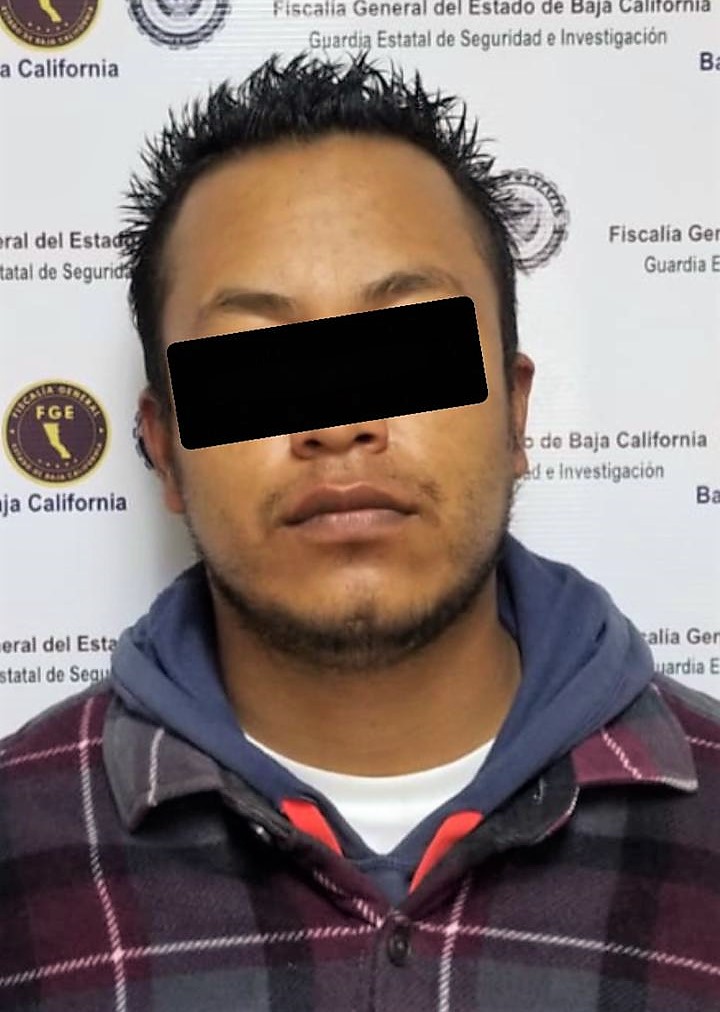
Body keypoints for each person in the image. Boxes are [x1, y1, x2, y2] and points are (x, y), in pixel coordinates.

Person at [1, 52, 719, 1012]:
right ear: (164, 450)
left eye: (408, 346)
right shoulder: (19, 843)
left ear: (514, 415)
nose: (339, 423)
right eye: (254, 362)